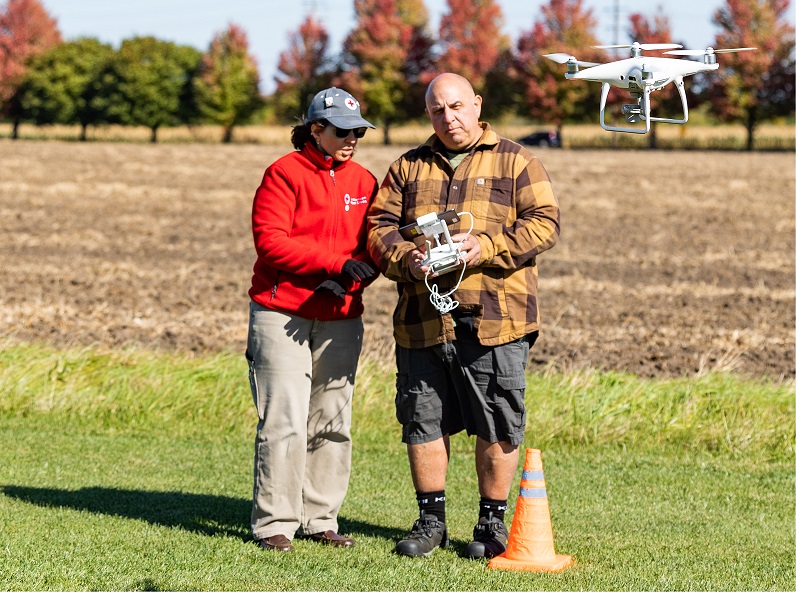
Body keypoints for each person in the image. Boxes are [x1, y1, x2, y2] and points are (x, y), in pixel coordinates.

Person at [366, 73, 560, 559]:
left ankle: (490, 526)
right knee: (423, 419)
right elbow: (377, 227)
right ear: (427, 114)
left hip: (497, 318)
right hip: (423, 316)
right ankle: (430, 521)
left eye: (456, 106)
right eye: (437, 110)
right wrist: (403, 258)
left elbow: (545, 224)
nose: (448, 118)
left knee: (497, 420)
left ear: (476, 104)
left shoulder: (518, 161)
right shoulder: (406, 168)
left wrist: (487, 245)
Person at [246, 87, 378, 552]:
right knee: (283, 419)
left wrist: (351, 280)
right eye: (342, 131)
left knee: (332, 421)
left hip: (341, 314)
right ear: (315, 129)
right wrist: (331, 266)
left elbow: (372, 246)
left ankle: (321, 518)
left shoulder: (364, 180)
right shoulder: (283, 173)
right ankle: (275, 524)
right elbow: (271, 242)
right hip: (282, 313)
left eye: (358, 131)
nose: (352, 139)